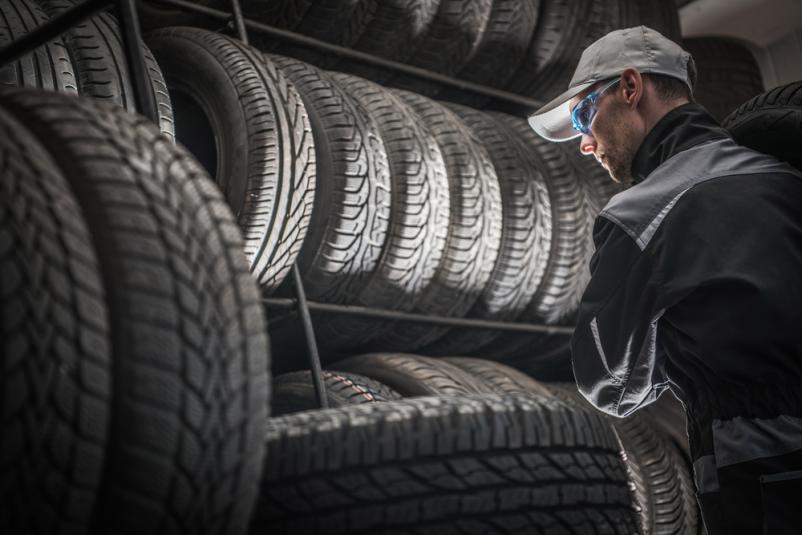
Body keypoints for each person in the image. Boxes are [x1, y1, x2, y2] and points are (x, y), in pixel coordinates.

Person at [528, 25, 802, 534]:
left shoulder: (640, 214)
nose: (586, 143)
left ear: (631, 88)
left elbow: (609, 383)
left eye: (585, 113)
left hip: (761, 475)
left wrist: (673, 343)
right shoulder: (785, 173)